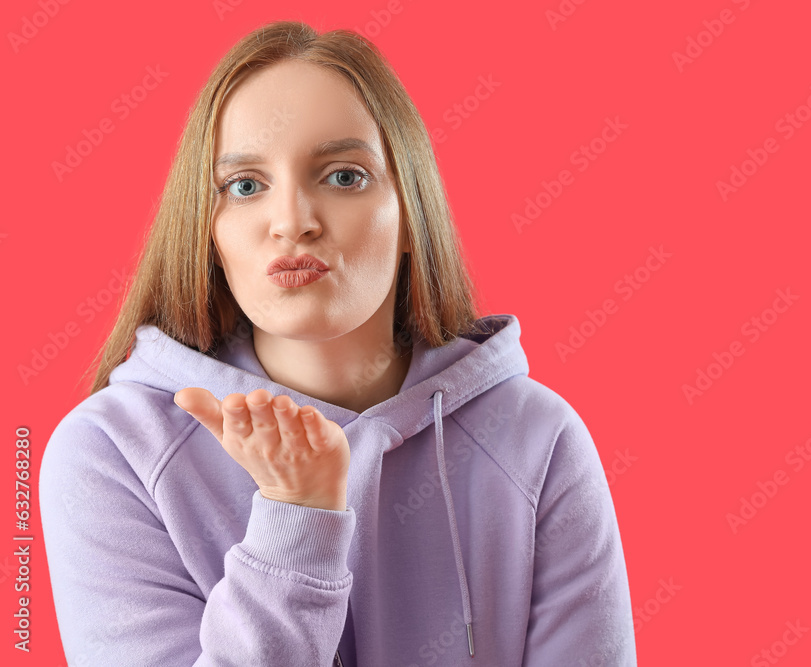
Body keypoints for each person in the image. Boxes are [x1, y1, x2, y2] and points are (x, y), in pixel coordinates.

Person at [38, 20, 636, 666]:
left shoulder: (537, 440)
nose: (293, 220)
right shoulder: (109, 452)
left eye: (344, 176)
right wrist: (297, 522)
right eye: (245, 186)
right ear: (207, 231)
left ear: (412, 215)